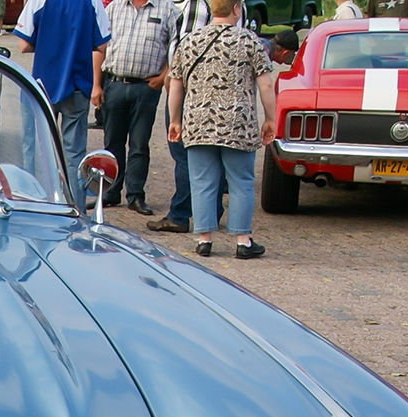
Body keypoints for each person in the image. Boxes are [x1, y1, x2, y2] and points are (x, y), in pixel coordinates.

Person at [167, 0, 275, 258]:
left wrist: (174, 119)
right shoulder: (249, 41)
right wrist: (270, 118)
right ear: (236, 8)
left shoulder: (190, 41)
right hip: (237, 124)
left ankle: (204, 239)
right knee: (241, 182)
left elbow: (175, 85)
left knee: (202, 181)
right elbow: (266, 85)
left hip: (198, 122)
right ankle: (242, 240)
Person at [146, 0, 242, 235]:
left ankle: (181, 214)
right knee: (213, 155)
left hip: (194, 90)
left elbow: (188, 48)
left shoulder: (199, 5)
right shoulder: (236, 5)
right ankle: (210, 212)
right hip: (221, 91)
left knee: (184, 154)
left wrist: (173, 77)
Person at [14, 0, 110, 212]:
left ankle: (35, 204)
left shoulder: (39, 1)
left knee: (37, 151)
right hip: (77, 86)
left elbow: (23, 44)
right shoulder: (93, 3)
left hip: (44, 85)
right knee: (75, 155)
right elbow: (101, 45)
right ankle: (76, 209)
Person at [98, 0, 177, 214]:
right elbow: (100, 45)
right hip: (114, 83)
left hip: (146, 87)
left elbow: (176, 47)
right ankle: (110, 192)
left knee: (139, 144)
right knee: (112, 142)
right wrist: (97, 84)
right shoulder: (114, 8)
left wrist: (163, 77)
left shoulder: (167, 9)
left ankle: (135, 195)